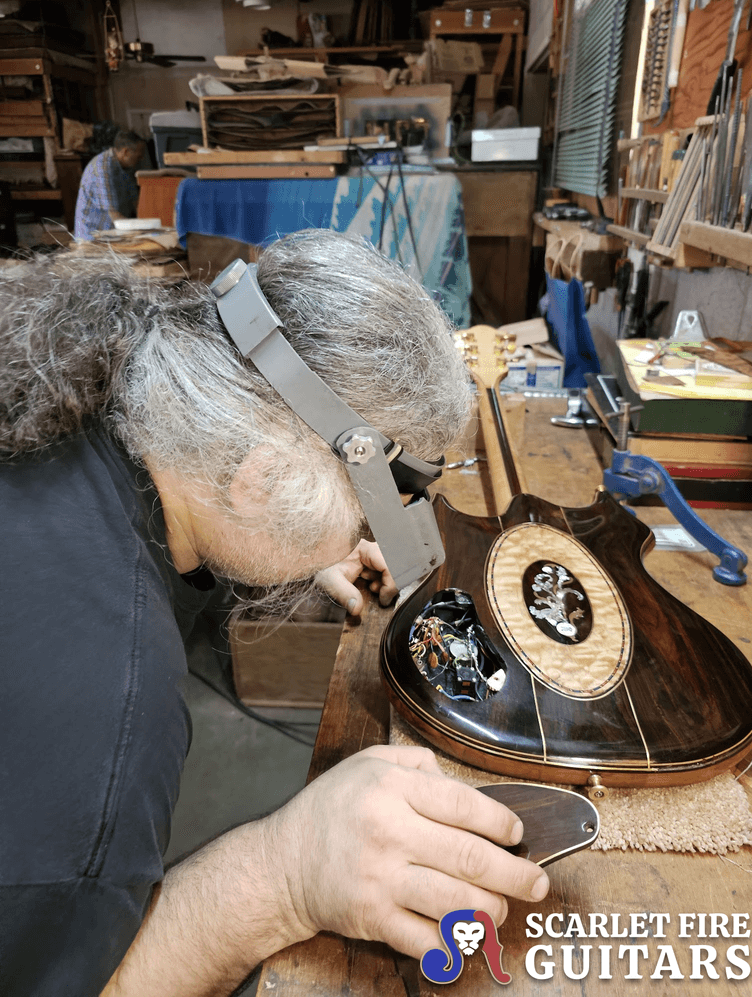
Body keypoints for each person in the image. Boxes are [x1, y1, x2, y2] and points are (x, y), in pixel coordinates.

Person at [0, 230, 549, 997]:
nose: (368, 540)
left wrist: (301, 536)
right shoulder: (110, 708)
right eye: (367, 519)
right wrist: (282, 875)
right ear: (261, 485)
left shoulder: (62, 362)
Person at [73, 129, 146, 241]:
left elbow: (136, 202)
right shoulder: (102, 168)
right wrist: (142, 231)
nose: (141, 158)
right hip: (92, 238)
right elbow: (114, 215)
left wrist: (147, 222)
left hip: (112, 233)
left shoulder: (126, 167)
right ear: (125, 152)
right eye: (138, 155)